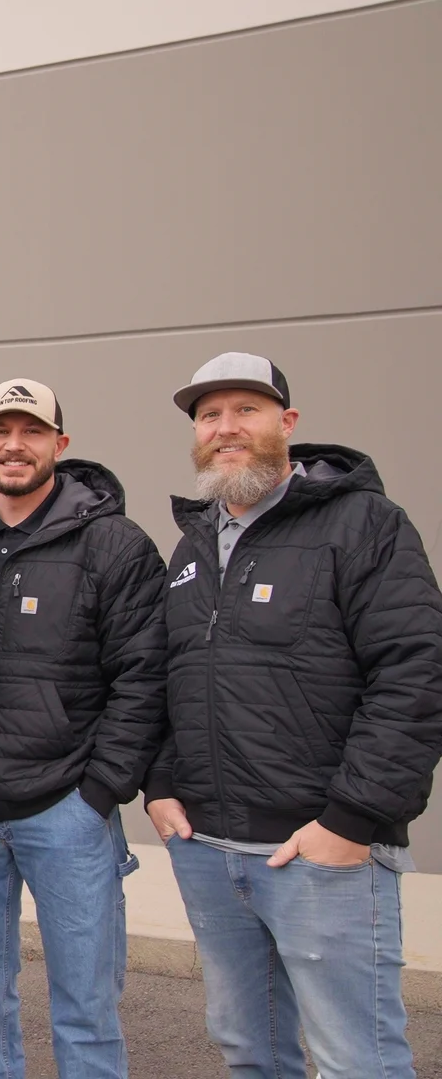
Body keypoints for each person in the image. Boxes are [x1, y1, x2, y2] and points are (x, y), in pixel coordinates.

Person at [146, 352, 442, 1079]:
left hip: (322, 854)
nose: (226, 428)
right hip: (209, 848)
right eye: (209, 415)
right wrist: (159, 785)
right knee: (250, 1053)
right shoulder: (191, 548)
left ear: (288, 422)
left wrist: (353, 819)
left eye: (245, 409)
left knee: (357, 1061)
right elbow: (169, 677)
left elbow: (415, 672)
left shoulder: (363, 525)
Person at [0, 379, 166, 1078]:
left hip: (67, 810)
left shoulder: (113, 545)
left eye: (31, 431)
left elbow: (143, 675)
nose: (14, 445)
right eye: (0, 431)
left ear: (60, 444)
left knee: (84, 1005)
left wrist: (102, 789)